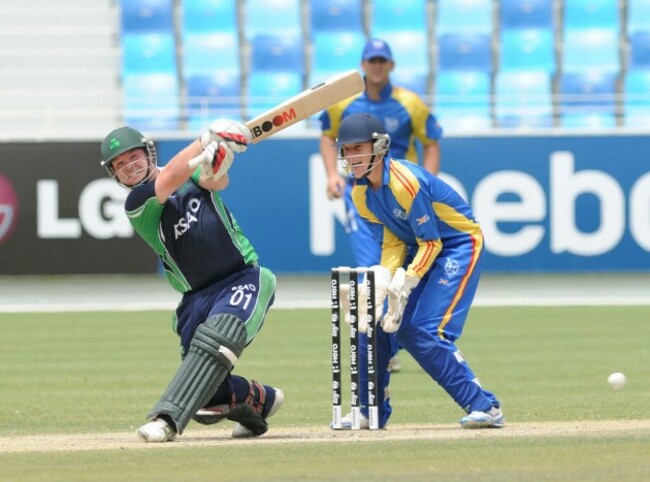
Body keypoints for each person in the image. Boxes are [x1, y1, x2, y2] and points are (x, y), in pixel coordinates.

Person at [99, 120, 284, 442]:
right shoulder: (137, 204)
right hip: (195, 299)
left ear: (148, 153)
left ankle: (166, 419)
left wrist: (217, 163)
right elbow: (172, 175)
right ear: (114, 174)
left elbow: (217, 181)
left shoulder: (190, 171)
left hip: (241, 277)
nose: (130, 167)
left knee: (219, 337)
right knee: (207, 397)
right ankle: (261, 400)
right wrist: (206, 139)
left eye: (133, 157)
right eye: (120, 164)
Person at [335, 112, 504, 430]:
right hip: (419, 249)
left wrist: (407, 282)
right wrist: (384, 280)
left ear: (379, 147)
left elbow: (432, 242)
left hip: (457, 244)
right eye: (347, 149)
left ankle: (485, 407)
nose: (352, 156)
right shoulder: (360, 194)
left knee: (422, 330)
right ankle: (369, 411)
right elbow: (392, 240)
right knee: (375, 325)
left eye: (359, 148)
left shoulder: (405, 183)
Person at [320, 38, 443, 373]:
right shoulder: (344, 103)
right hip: (362, 193)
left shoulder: (410, 103)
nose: (376, 66)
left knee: (405, 267)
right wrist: (332, 175)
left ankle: (388, 340)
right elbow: (328, 137)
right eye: (371, 60)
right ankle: (379, 345)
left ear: (391, 65)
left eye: (381, 61)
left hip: (402, 193)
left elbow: (431, 143)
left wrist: (426, 184)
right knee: (372, 265)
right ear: (363, 64)